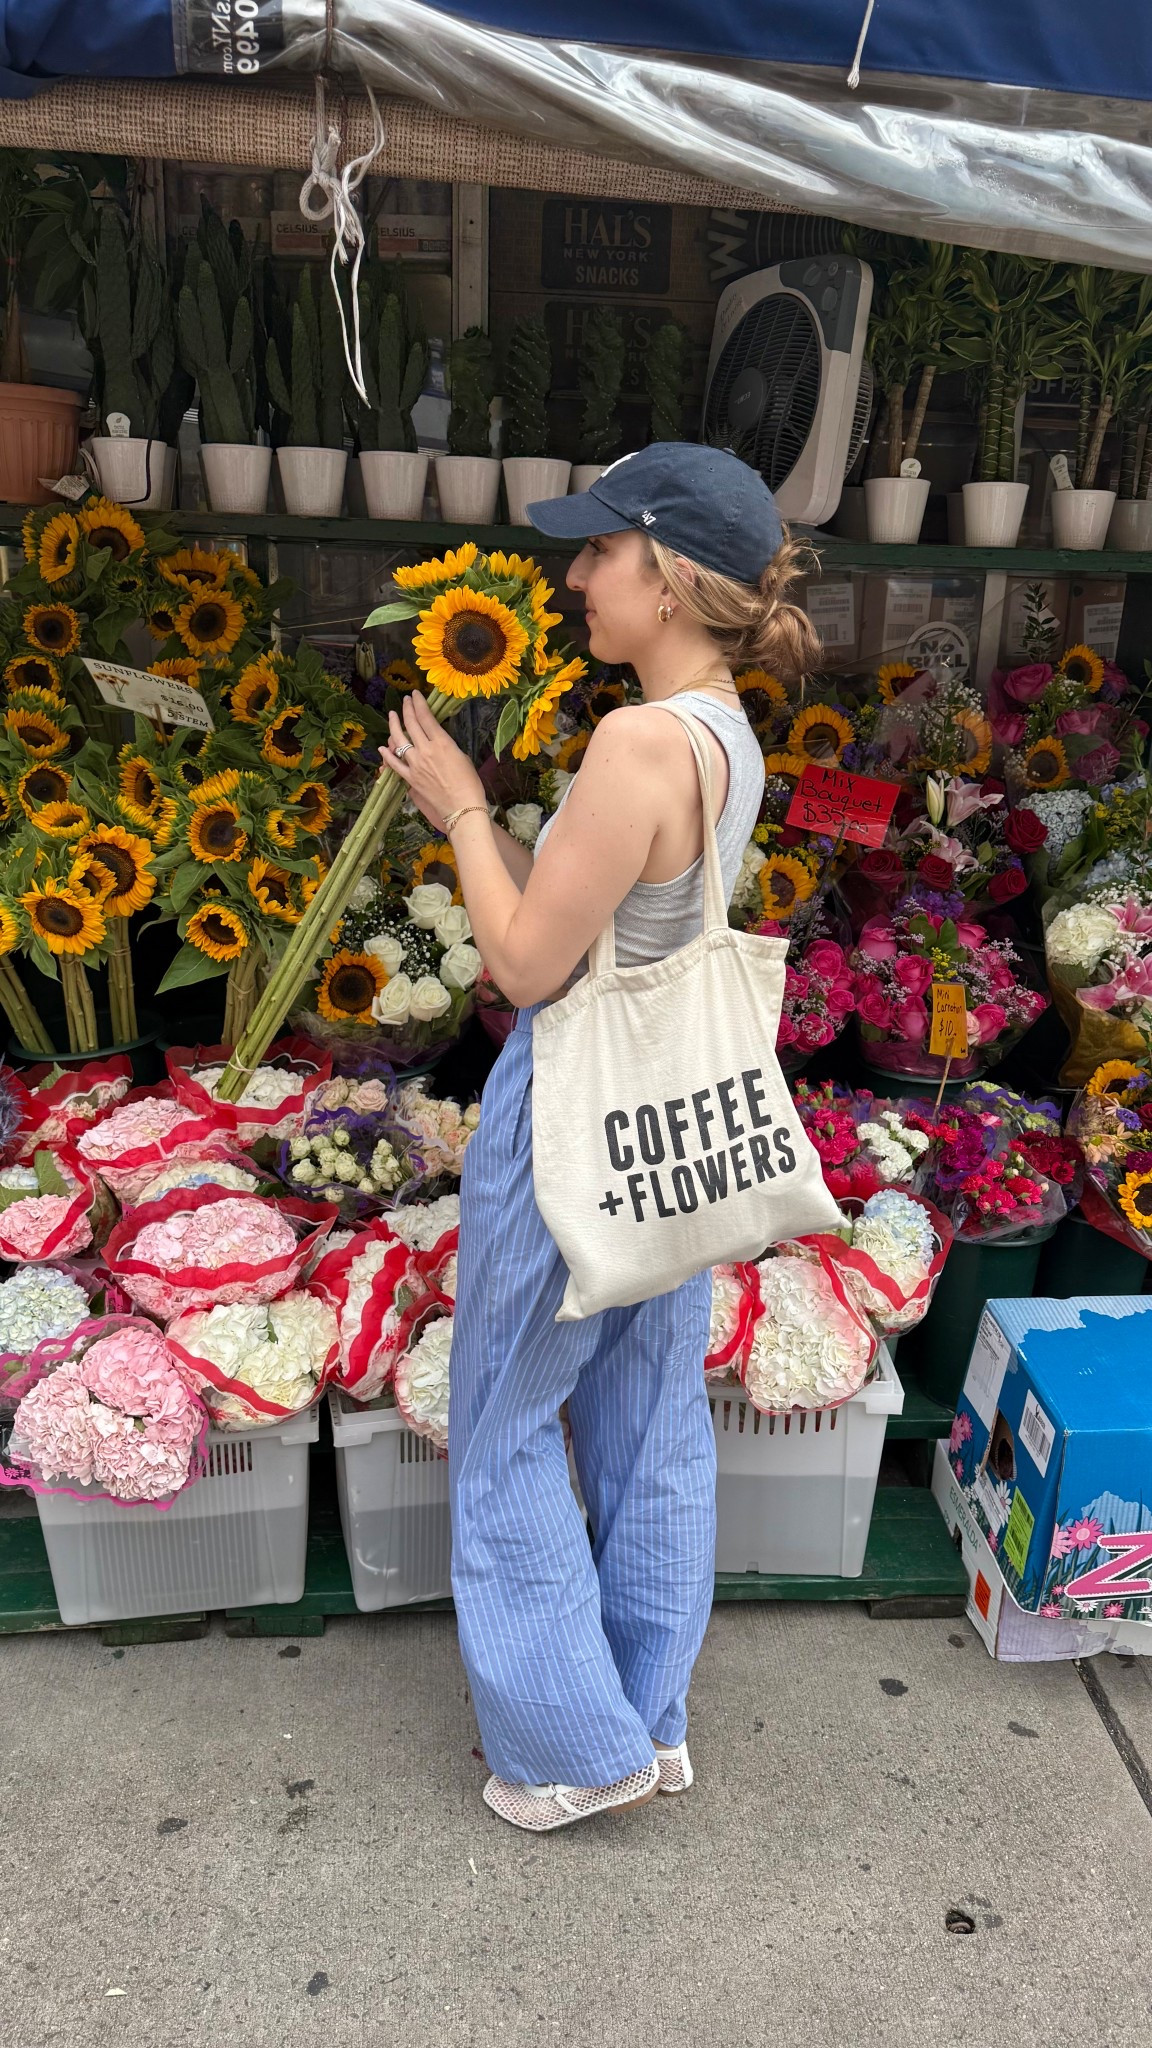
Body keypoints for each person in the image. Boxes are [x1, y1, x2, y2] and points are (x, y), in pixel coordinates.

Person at [380, 443, 821, 1833]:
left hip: (577, 1110)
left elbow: (524, 966)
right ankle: (648, 1713)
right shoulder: (724, 731)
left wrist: (460, 808)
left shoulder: (637, 744)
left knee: (507, 1417)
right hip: (668, 1121)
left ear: (669, 576)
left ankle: (570, 1748)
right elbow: (612, 928)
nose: (576, 577)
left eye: (598, 551)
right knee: (649, 1412)